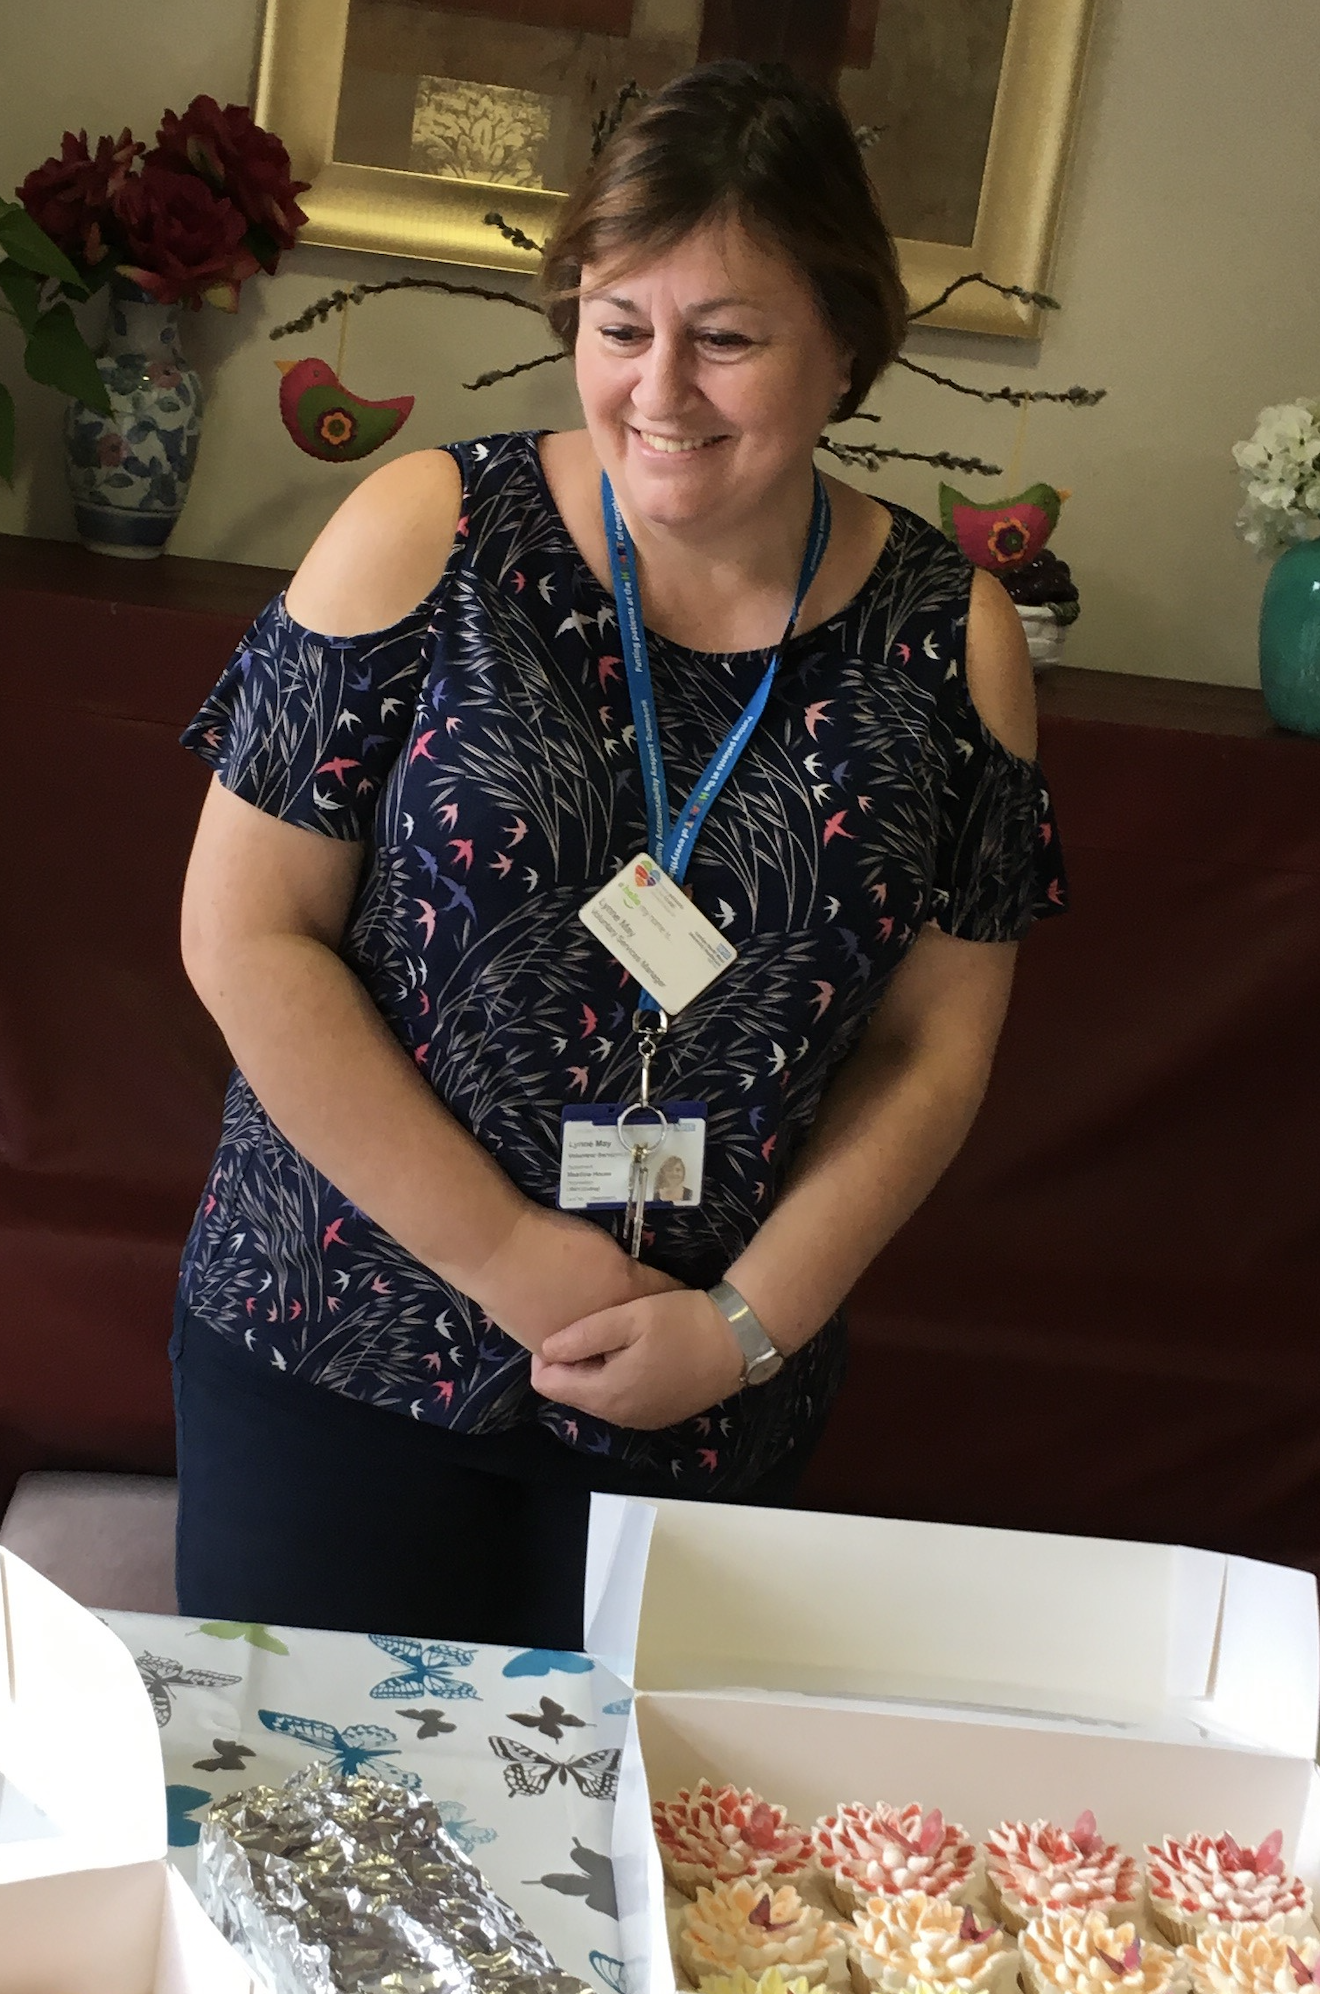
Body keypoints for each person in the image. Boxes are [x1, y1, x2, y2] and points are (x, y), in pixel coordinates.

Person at [172, 58, 1064, 1648]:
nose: (659, 390)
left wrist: (743, 1324)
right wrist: (515, 1257)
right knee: (317, 1847)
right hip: (343, 1339)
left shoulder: (952, 638)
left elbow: (937, 1048)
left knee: (641, 1867)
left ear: (845, 345)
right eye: (616, 324)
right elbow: (243, 937)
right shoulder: (423, 532)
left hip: (711, 1401)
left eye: (725, 337)